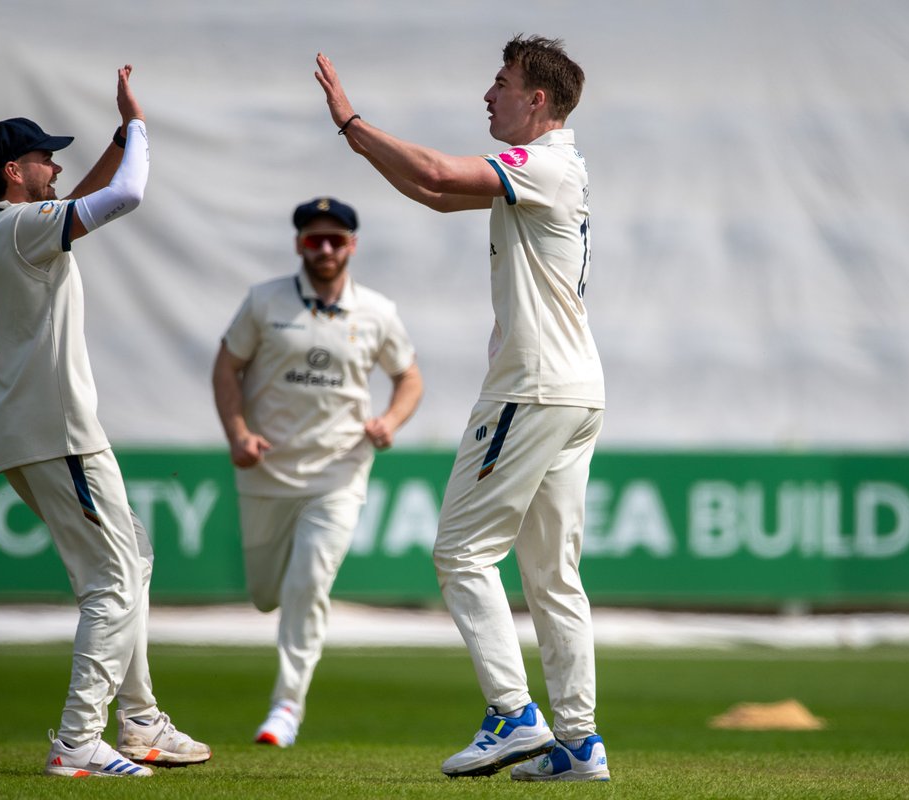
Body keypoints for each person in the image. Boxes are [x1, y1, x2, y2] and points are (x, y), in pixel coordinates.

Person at [315, 36, 610, 781]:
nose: (489, 95)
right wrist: (362, 148)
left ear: (537, 100)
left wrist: (351, 122)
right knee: (553, 576)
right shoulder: (554, 170)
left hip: (532, 387)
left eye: (502, 83)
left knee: (460, 553)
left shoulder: (541, 163)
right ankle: (578, 744)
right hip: (574, 390)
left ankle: (513, 714)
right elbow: (436, 191)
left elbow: (442, 170)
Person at [0, 65, 210, 778]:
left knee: (131, 556)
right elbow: (125, 193)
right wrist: (138, 130)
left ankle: (139, 721)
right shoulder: (24, 229)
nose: (55, 165)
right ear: (15, 170)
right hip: (58, 430)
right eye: (43, 157)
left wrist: (115, 137)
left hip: (20, 433)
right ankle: (78, 742)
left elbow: (76, 198)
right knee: (112, 582)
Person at [212, 197, 423, 748]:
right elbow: (227, 366)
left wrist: (391, 421)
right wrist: (237, 434)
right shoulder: (264, 301)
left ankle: (286, 706)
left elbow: (409, 378)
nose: (324, 249)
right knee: (265, 594)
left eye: (335, 239)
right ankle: (283, 670)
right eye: (313, 239)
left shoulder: (377, 311)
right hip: (267, 468)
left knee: (308, 583)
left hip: (339, 471)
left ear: (352, 245)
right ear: (299, 244)